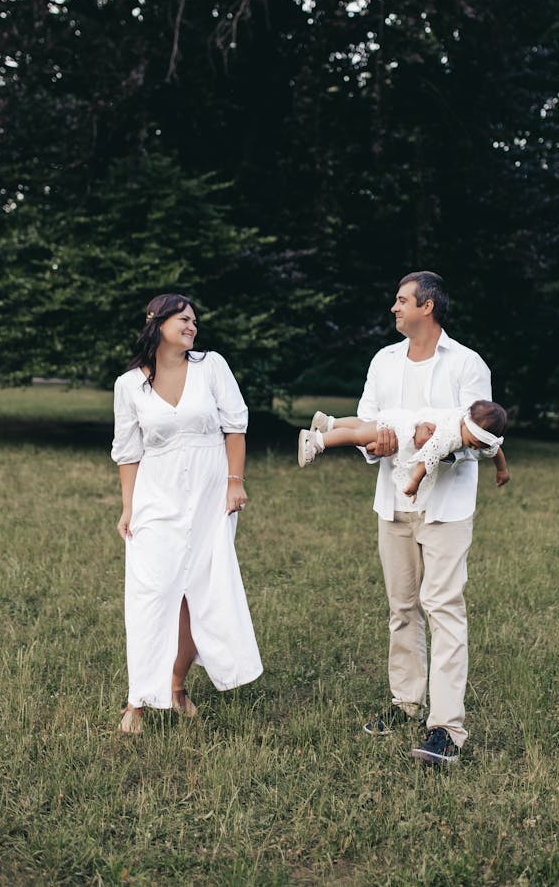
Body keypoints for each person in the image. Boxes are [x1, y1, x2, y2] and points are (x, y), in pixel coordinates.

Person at [355, 271, 509, 765]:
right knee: (402, 609)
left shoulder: (467, 365)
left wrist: (435, 448)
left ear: (428, 306)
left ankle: (446, 727)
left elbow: (480, 442)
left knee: (442, 609)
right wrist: (373, 443)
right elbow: (365, 421)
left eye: (401, 301)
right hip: (393, 502)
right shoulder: (383, 361)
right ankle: (405, 704)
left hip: (445, 508)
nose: (393, 308)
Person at [111, 293, 263, 734]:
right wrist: (128, 507)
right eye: (183, 319)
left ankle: (176, 686)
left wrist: (236, 482)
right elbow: (128, 452)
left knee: (200, 589)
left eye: (194, 319)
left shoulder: (211, 366)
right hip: (156, 496)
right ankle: (138, 699)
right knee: (151, 593)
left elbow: (235, 426)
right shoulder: (129, 385)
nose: (192, 325)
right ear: (157, 323)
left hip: (210, 494)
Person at [297, 400, 509, 505]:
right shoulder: (451, 435)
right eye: (472, 443)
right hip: (403, 428)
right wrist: (414, 484)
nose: (473, 449)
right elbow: (428, 460)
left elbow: (494, 450)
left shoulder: (480, 439)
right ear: (466, 426)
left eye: (478, 447)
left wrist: (502, 470)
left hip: (404, 420)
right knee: (359, 436)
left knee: (363, 426)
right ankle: (316, 441)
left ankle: (328, 423)